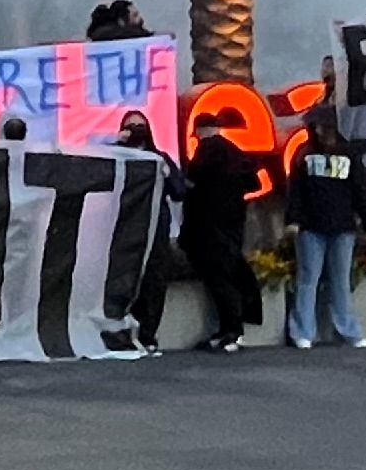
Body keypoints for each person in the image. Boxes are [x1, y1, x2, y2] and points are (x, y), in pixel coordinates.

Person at [278, 99, 366, 350]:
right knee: (308, 278)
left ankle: (348, 330)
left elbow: (360, 190)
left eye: (325, 126)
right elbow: (295, 191)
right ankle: (302, 331)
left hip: (342, 226)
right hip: (310, 226)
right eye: (317, 126)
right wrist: (293, 220)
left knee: (340, 280)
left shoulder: (350, 154)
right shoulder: (304, 155)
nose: (320, 131)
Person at [179, 119, 269, 352]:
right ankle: (232, 328)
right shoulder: (235, 154)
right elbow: (255, 182)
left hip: (206, 229)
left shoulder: (204, 155)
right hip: (232, 226)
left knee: (219, 281)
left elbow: (190, 187)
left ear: (200, 131)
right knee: (229, 276)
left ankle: (231, 329)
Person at [111, 110, 180, 353]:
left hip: (156, 228)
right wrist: (117, 144)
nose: (137, 131)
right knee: (125, 280)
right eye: (132, 126)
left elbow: (180, 191)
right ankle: (122, 332)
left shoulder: (159, 158)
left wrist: (168, 175)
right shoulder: (116, 154)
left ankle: (149, 334)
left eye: (141, 126)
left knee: (154, 281)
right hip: (126, 229)